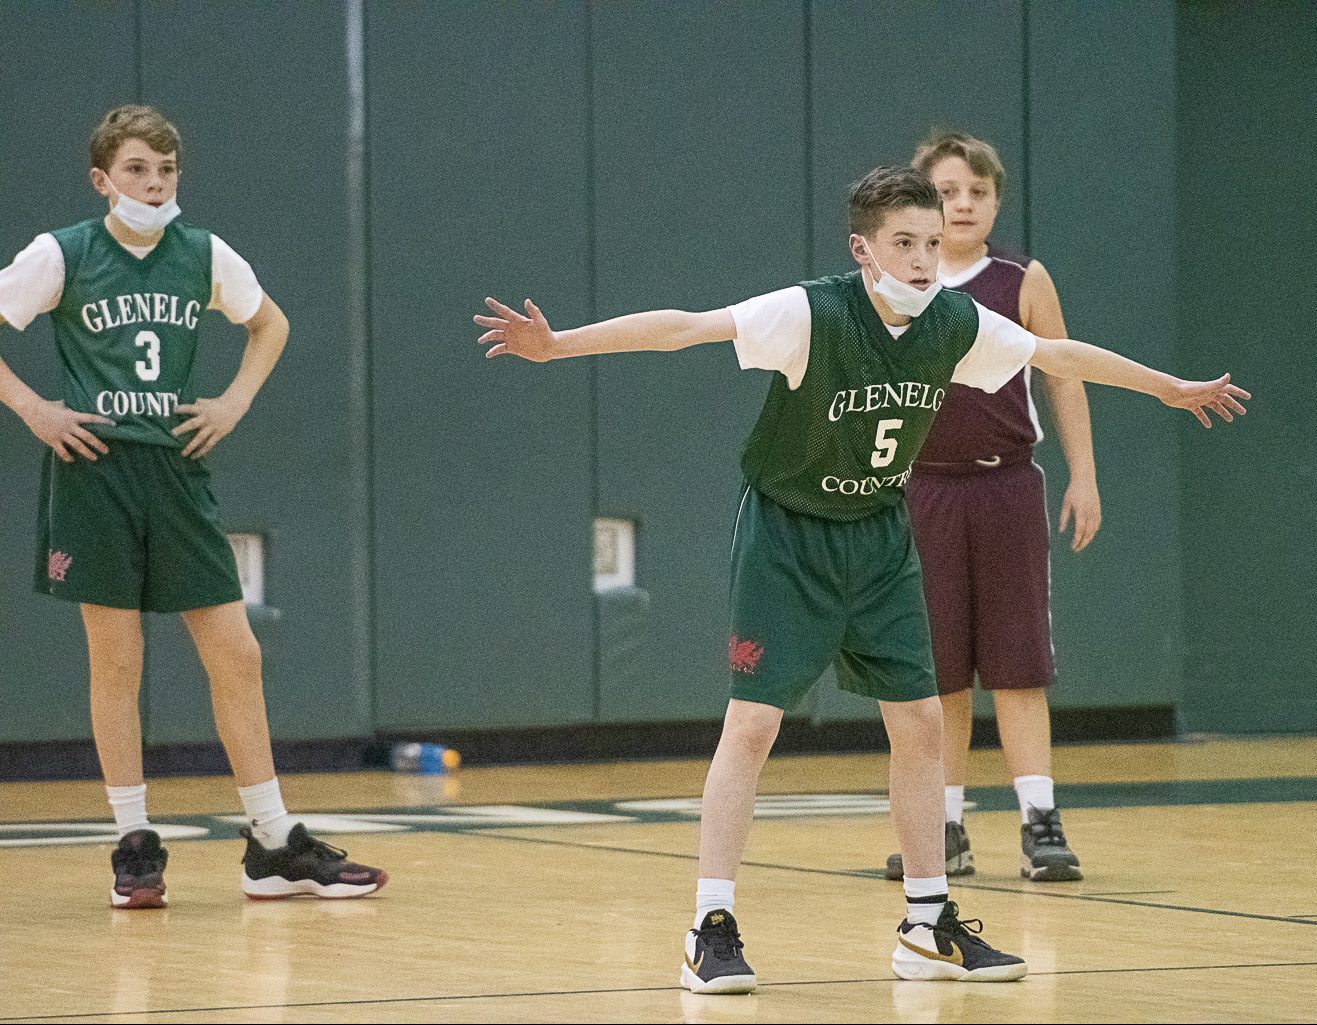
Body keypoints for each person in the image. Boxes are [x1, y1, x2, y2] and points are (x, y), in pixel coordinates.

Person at [474, 165, 1247, 988]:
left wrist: (1167, 388)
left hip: (879, 534)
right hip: (789, 535)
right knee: (753, 726)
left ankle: (925, 924)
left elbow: (1053, 352)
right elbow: (684, 328)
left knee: (918, 723)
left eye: (930, 242)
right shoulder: (811, 312)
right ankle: (709, 925)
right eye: (903, 243)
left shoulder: (953, 321)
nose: (922, 258)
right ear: (863, 249)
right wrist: (559, 344)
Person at [0, 105, 386, 908]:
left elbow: (269, 324)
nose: (155, 182)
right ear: (104, 179)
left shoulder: (202, 252)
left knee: (235, 651)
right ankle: (133, 841)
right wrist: (34, 407)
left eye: (167, 169)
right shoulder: (61, 252)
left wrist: (235, 400)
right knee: (117, 659)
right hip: (96, 468)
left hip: (176, 469)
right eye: (139, 169)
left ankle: (272, 841)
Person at [884, 131, 1096, 884]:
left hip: (1006, 485)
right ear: (922, 202)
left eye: (977, 191)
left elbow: (1065, 377)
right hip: (924, 488)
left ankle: (1039, 819)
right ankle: (942, 824)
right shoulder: (897, 283)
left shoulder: (1021, 278)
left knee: (1017, 664)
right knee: (938, 668)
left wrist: (1083, 475)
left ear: (995, 199)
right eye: (947, 191)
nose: (963, 203)